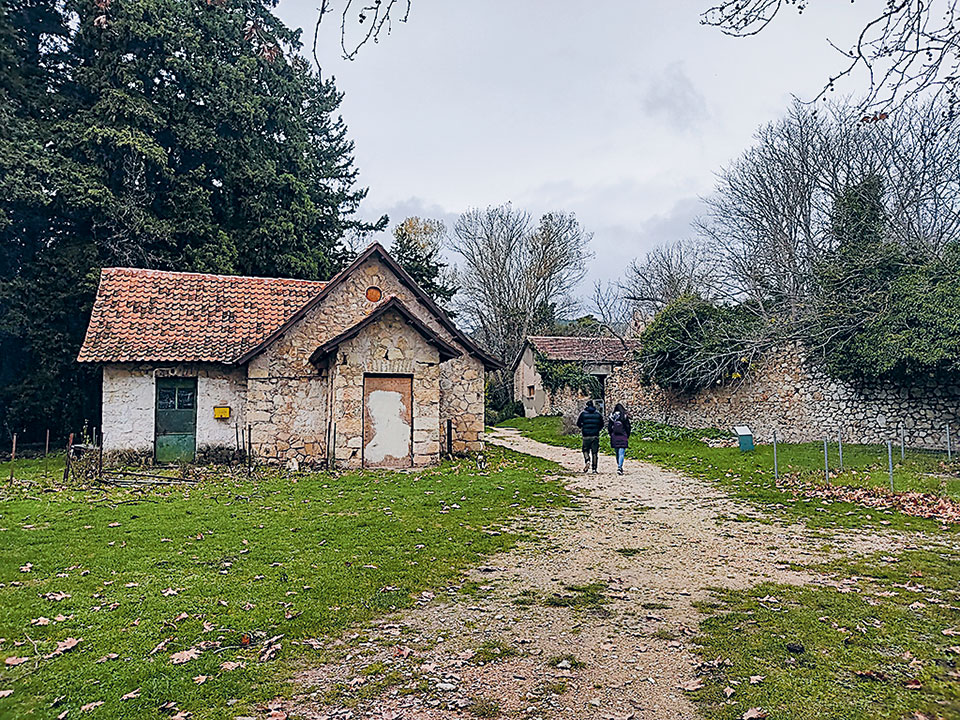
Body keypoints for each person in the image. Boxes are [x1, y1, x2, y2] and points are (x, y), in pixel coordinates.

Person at [576, 400, 604, 473]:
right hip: (595, 435)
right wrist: (598, 429)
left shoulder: (583, 414)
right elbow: (602, 424)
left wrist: (582, 428)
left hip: (586, 435)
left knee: (585, 450)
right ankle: (594, 469)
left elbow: (578, 423)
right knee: (595, 453)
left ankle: (587, 460)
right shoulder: (598, 414)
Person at [608, 403, 632, 475]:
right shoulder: (624, 416)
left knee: (617, 452)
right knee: (621, 453)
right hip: (623, 436)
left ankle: (619, 465)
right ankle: (619, 467)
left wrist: (611, 434)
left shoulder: (612, 416)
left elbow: (609, 427)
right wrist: (627, 435)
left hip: (614, 436)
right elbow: (628, 427)